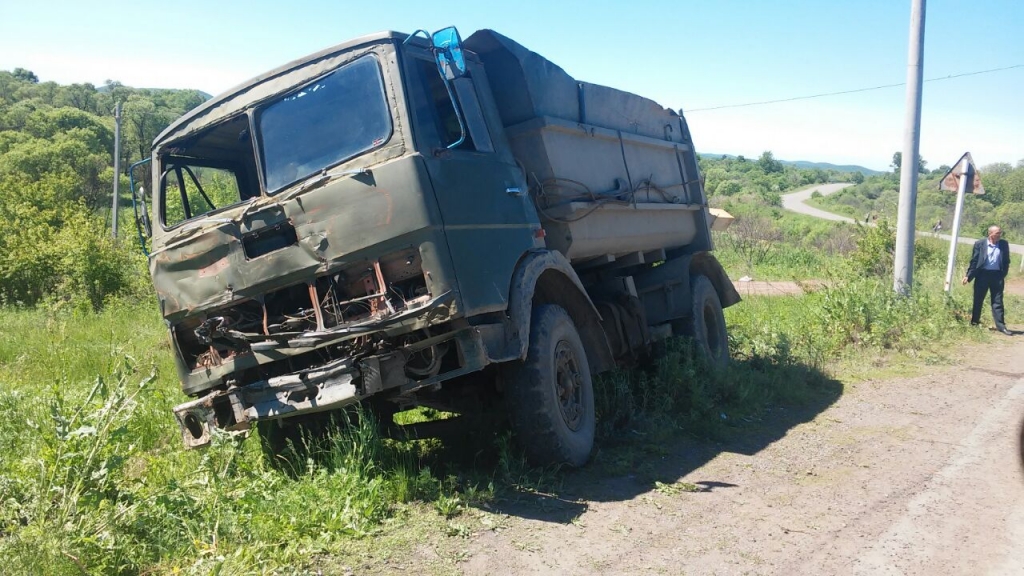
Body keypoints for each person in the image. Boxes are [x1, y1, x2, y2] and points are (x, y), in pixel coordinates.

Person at [962, 225, 1012, 335]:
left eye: (1000, 233)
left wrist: (1003, 274)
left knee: (997, 301)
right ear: (990, 234)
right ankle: (974, 323)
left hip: (997, 276)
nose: (999, 235)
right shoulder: (980, 244)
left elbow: (1006, 261)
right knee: (978, 300)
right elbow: (974, 261)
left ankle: (1001, 326)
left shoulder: (1004, 244)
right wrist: (968, 276)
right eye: (997, 233)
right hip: (982, 275)